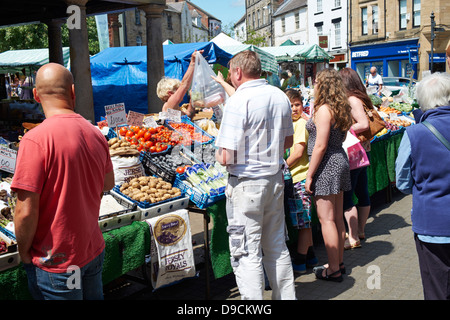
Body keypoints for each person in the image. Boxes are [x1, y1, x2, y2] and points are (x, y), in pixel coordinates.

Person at [11, 63, 115, 300]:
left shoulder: (35, 140)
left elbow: (25, 211)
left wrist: (24, 252)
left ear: (36, 95)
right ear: (73, 92)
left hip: (56, 260)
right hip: (91, 249)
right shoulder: (95, 133)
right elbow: (107, 184)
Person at [215, 50, 296, 300]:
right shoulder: (279, 95)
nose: (230, 78)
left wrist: (216, 154)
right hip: (274, 181)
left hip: (247, 185)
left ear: (238, 72)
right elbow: (288, 141)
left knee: (247, 254)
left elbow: (226, 157)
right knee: (276, 248)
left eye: (230, 73)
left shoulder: (239, 100)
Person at [395, 72, 450, 300]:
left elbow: (402, 180)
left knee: (436, 290)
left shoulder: (414, 133)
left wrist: (422, 191)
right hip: (433, 227)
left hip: (432, 226)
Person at [305, 68, 353, 282]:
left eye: (316, 81)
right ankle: (338, 263)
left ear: (322, 85)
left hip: (327, 164)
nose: (313, 84)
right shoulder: (339, 107)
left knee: (326, 220)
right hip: (339, 160)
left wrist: (309, 174)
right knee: (336, 217)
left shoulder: (325, 110)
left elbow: (320, 145)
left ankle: (333, 268)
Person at [284, 89, 317, 274]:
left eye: (297, 104)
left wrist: (281, 167)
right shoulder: (291, 124)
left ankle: (300, 261)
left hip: (299, 179)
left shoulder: (300, 125)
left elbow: (297, 153)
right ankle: (311, 255)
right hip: (296, 178)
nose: (294, 109)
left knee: (303, 221)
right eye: (290, 105)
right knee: (304, 220)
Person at [338, 67, 372, 249]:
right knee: (362, 191)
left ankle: (353, 236)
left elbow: (363, 124)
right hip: (363, 151)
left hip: (354, 153)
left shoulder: (351, 99)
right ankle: (360, 230)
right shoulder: (362, 97)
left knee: (349, 196)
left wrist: (347, 130)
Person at [156, 50, 204, 119]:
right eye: (177, 89)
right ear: (170, 93)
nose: (181, 93)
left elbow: (188, 115)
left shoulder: (175, 107)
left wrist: (192, 99)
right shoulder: (170, 104)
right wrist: (193, 62)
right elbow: (184, 85)